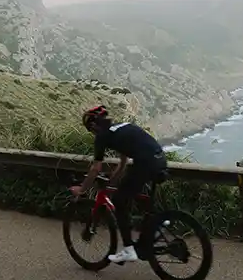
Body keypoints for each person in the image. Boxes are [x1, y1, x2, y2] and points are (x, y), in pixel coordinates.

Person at [70, 105, 169, 264]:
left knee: (119, 200)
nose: (92, 133)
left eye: (90, 130)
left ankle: (129, 250)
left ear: (94, 125)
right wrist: (111, 182)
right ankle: (158, 221)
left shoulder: (102, 136)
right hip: (160, 160)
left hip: (145, 163)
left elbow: (95, 168)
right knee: (132, 192)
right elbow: (122, 163)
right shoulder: (121, 127)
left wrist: (82, 189)